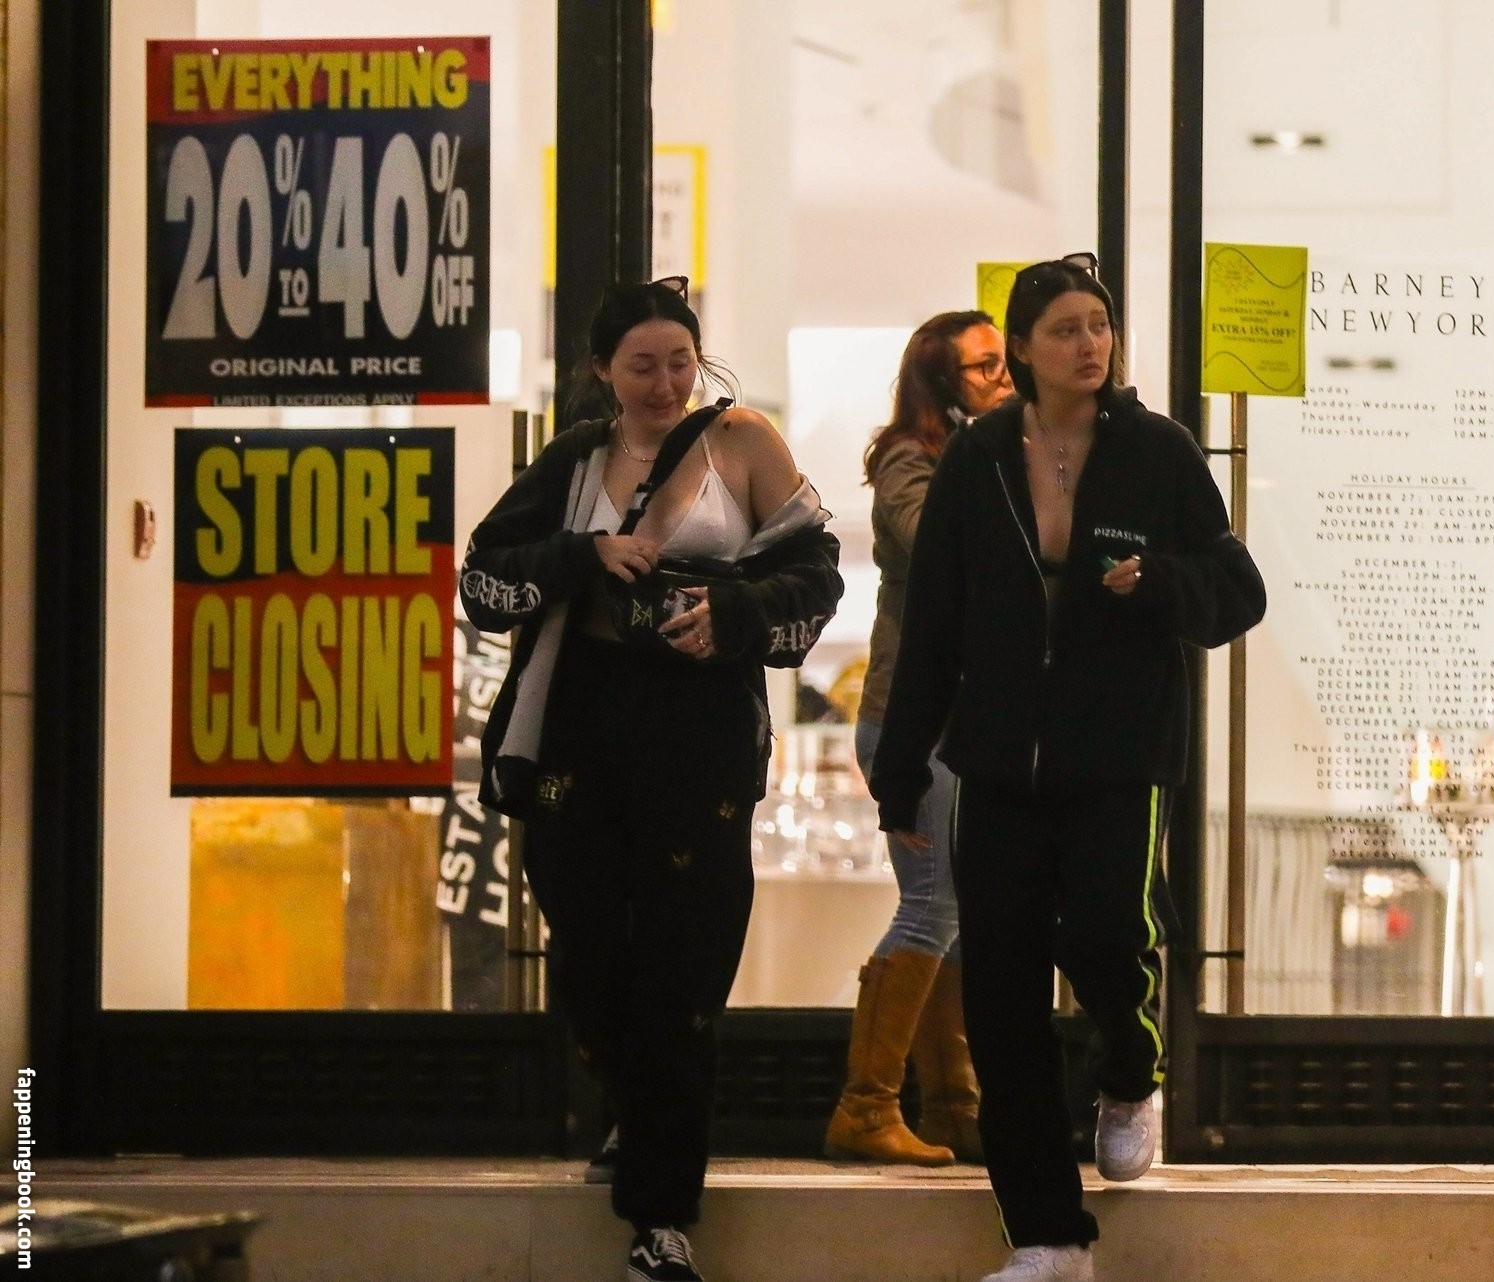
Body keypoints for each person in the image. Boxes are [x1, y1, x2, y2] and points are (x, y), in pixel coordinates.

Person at [868, 255, 1266, 1281]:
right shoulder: (978, 459)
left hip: (1118, 755)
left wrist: (1158, 582)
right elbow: (935, 625)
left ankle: (1129, 1073)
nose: (1089, 344)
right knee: (1000, 995)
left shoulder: (1158, 451)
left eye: (1099, 325)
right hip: (997, 762)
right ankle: (1048, 1236)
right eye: (1065, 330)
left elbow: (1239, 590)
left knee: (1107, 937)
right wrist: (900, 771)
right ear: (1022, 350)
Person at [461, 277, 843, 1281]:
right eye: (643, 365)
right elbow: (484, 578)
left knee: (683, 973)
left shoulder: (744, 442)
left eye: (681, 361)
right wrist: (586, 554)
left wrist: (735, 614)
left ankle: (661, 1223)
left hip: (700, 731)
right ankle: (633, 1101)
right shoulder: (574, 459)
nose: (667, 382)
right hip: (580, 730)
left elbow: (819, 571)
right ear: (603, 371)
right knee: (586, 946)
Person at [826, 310, 1013, 1166]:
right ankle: (866, 1106)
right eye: (985, 367)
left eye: (1004, 362)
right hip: (914, 720)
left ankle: (953, 1106)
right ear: (942, 383)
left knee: (960, 916)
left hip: (963, 722)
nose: (1004, 377)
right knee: (932, 903)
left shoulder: (992, 454)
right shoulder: (914, 458)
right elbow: (943, 546)